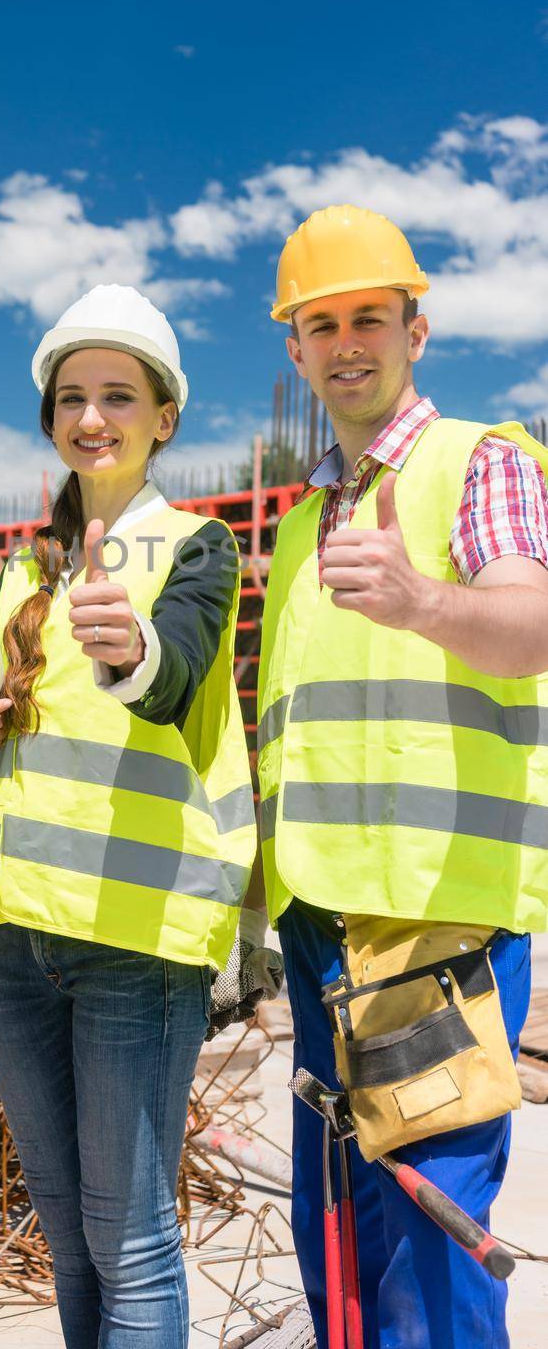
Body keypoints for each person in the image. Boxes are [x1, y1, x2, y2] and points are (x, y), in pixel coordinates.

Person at [0, 284, 274, 1348]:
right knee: (67, 1233)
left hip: (134, 940)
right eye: (72, 396)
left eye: (118, 395)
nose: (92, 417)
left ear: (162, 417)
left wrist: (128, 649)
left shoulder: (195, 547)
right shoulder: (18, 568)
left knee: (129, 1239)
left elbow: (170, 678)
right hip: (19, 935)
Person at [257, 204, 548, 1349]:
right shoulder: (295, 528)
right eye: (319, 323)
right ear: (292, 348)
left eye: (368, 316)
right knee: (337, 1245)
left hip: (438, 925)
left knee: (427, 1261)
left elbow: (530, 623)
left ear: (414, 329)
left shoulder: (478, 461)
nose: (344, 343)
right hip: (319, 922)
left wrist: (424, 599)